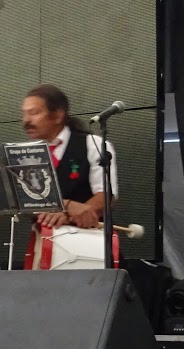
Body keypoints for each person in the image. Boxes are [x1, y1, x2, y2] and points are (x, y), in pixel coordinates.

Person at [19, 85, 117, 270]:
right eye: (24, 114)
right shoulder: (26, 153)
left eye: (34, 113)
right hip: (44, 244)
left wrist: (69, 214)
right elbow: (24, 201)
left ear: (58, 115)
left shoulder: (93, 144)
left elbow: (105, 197)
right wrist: (66, 205)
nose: (26, 120)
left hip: (87, 246)